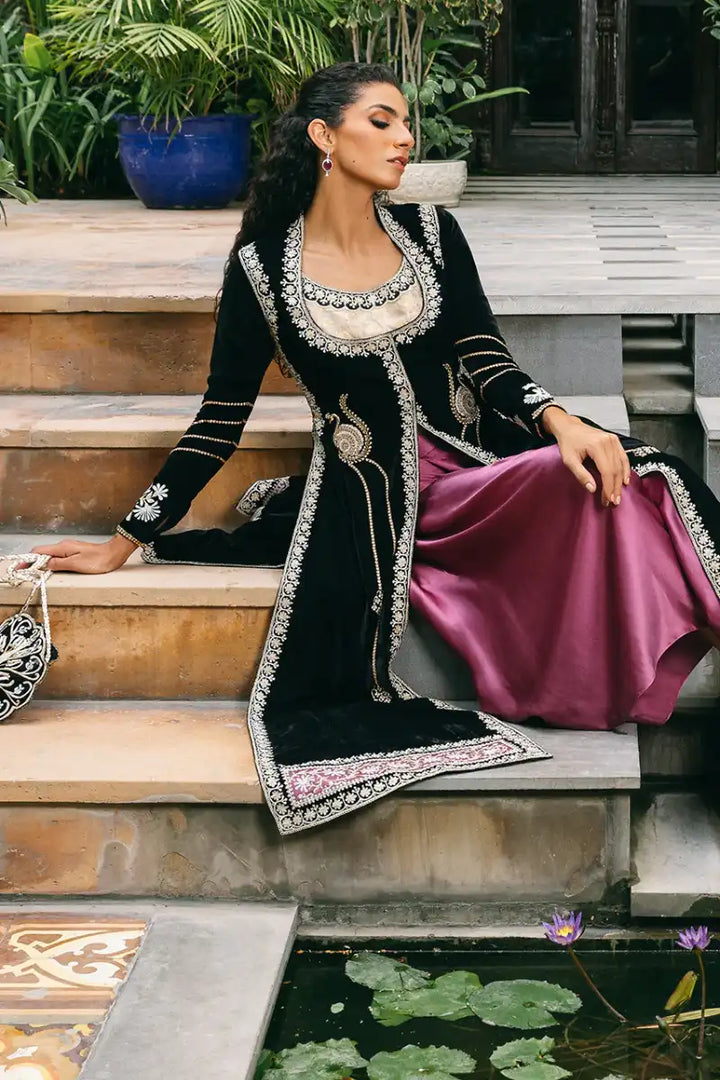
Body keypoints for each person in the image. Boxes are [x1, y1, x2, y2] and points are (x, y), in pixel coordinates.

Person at [33, 62, 720, 836]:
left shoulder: (431, 233)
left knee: (639, 475)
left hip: (480, 464)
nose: (405, 138)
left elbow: (484, 356)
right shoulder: (263, 271)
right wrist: (125, 540)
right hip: (376, 501)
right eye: (382, 121)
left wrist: (559, 418)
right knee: (609, 486)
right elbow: (220, 421)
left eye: (405, 123)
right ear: (324, 137)